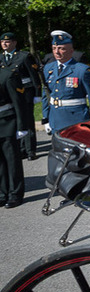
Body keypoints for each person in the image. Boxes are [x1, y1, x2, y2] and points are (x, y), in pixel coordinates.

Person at [42, 32, 90, 134]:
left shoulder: (82, 70)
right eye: (54, 48)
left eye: (61, 48)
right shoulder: (48, 68)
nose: (57, 52)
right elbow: (46, 94)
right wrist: (46, 117)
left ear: (71, 51)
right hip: (55, 117)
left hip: (76, 118)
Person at [1, 31, 41, 159]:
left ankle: (30, 150)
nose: (4, 44)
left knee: (27, 121)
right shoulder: (1, 58)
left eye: (7, 42)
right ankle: (20, 148)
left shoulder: (24, 56)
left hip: (25, 93)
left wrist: (37, 93)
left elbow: (34, 76)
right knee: (15, 121)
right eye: (2, 42)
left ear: (14, 43)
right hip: (8, 95)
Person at [0, 64, 30, 208]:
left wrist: (21, 126)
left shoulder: (8, 75)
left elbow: (19, 102)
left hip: (6, 122)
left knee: (12, 162)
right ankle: (2, 193)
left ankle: (15, 194)